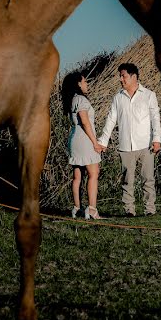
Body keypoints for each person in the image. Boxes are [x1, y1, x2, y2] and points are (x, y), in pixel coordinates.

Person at [97, 63, 161, 216]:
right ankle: (129, 210)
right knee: (127, 181)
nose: (121, 79)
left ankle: (150, 210)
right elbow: (111, 120)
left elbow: (155, 118)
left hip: (146, 145)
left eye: (123, 76)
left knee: (148, 179)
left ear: (134, 77)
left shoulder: (149, 95)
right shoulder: (118, 98)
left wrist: (157, 139)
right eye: (120, 76)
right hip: (125, 145)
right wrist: (103, 141)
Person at [61, 71, 104, 220]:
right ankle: (92, 209)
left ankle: (77, 208)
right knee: (93, 174)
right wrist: (95, 143)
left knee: (77, 176)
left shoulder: (71, 99)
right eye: (85, 81)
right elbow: (85, 122)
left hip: (74, 140)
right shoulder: (81, 100)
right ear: (78, 84)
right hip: (85, 140)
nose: (87, 84)